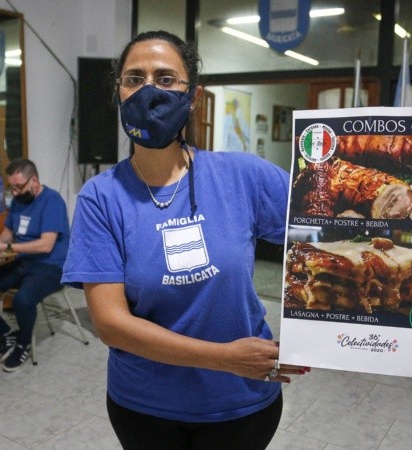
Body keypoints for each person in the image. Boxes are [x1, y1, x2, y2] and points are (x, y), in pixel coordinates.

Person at [61, 30, 309, 449]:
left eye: (165, 78)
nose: (148, 90)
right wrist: (225, 358)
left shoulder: (242, 176)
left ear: (192, 96)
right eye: (134, 79)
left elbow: (330, 232)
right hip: (145, 405)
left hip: (242, 403)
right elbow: (112, 325)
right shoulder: (101, 198)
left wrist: (323, 334)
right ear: (118, 93)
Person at [0, 158, 70, 372]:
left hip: (50, 267)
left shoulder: (52, 201)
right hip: (22, 264)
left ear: (34, 181)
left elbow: (45, 246)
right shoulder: (19, 201)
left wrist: (7, 250)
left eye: (18, 186)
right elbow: (9, 234)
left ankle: (23, 343)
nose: (15, 192)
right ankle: (5, 334)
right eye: (12, 188)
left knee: (22, 300)